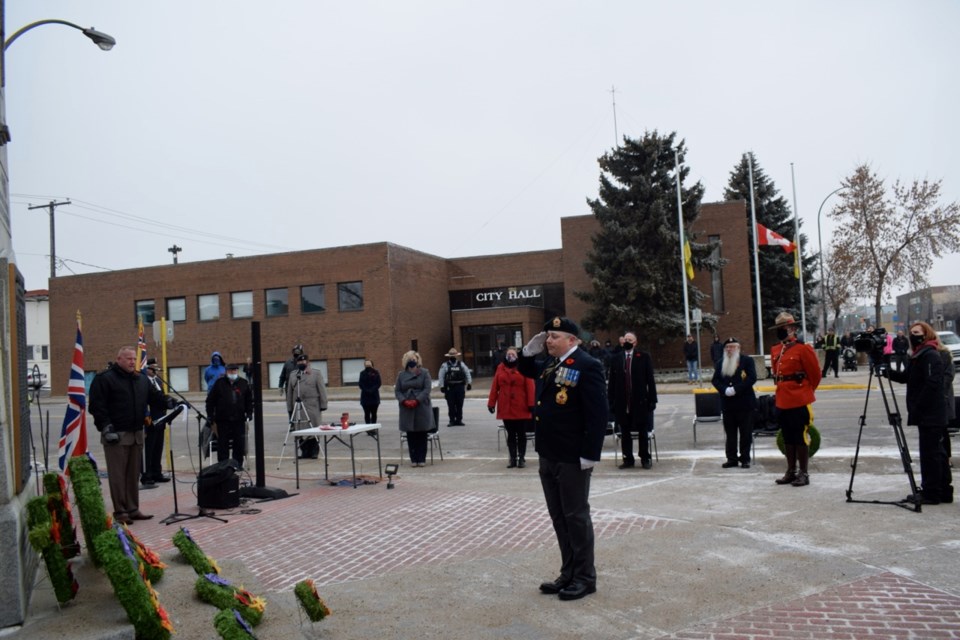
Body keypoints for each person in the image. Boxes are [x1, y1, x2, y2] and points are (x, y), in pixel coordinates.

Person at [518, 316, 607, 602]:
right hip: (549, 453)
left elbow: (597, 414)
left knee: (576, 517)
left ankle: (585, 578)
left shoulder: (587, 365)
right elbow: (526, 371)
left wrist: (590, 454)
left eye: (554, 336)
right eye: (547, 337)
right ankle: (568, 572)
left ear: (573, 339)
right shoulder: (550, 364)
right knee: (559, 517)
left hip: (572, 456)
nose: (548, 341)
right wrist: (525, 353)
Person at [89, 346, 167, 525]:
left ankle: (133, 508)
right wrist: (105, 427)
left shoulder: (141, 379)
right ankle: (121, 510)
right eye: (129, 359)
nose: (132, 362)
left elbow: (154, 397)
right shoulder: (105, 379)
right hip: (116, 434)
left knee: (133, 474)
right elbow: (96, 406)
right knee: (118, 475)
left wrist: (168, 401)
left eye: (134, 359)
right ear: (119, 359)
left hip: (137, 433)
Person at [886, 321, 952, 505]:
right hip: (926, 413)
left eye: (917, 332)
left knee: (931, 454)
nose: (913, 335)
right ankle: (942, 490)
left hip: (931, 413)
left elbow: (932, 384)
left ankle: (932, 492)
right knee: (935, 452)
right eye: (911, 332)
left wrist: (918, 406)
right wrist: (886, 372)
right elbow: (907, 377)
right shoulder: (918, 355)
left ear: (926, 334)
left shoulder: (930, 355)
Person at [770, 312, 822, 487]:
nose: (781, 331)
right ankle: (790, 471)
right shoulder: (776, 349)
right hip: (782, 398)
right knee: (788, 436)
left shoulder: (803, 348)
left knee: (800, 436)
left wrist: (805, 391)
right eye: (779, 328)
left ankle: (804, 473)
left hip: (799, 399)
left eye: (783, 328)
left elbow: (815, 375)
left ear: (792, 329)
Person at [607, 331, 657, 469]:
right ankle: (628, 458)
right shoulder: (616, 358)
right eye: (625, 339)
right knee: (625, 431)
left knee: (642, 430)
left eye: (630, 339)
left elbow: (650, 380)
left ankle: (645, 457)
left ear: (635, 343)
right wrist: (610, 400)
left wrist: (653, 399)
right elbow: (612, 381)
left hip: (640, 401)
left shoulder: (643, 357)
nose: (627, 341)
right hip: (622, 402)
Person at [712, 337, 757, 468]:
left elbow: (752, 378)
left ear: (738, 348)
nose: (729, 349)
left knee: (745, 433)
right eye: (727, 347)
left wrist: (735, 389)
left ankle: (745, 459)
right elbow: (715, 380)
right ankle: (731, 458)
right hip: (728, 404)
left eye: (732, 346)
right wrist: (724, 390)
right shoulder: (721, 362)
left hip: (745, 403)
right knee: (730, 434)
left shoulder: (747, 361)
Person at [487, 347, 535, 468]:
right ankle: (512, 458)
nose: (510, 356)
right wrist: (491, 403)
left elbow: (530, 387)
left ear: (517, 356)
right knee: (511, 434)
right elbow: (494, 387)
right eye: (508, 354)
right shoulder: (500, 367)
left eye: (513, 354)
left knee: (521, 434)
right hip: (505, 406)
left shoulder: (523, 367)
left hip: (521, 406)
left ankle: (521, 458)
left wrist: (531, 404)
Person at [206, 363, 254, 468]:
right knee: (223, 443)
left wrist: (249, 412)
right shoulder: (219, 383)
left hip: (239, 419)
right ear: (227, 372)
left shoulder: (243, 383)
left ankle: (237, 464)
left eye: (235, 371)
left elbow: (249, 400)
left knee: (239, 442)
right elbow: (210, 401)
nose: (233, 373)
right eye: (231, 371)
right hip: (223, 419)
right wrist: (210, 415)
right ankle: (223, 465)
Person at [285, 353, 328, 458]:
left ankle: (314, 451)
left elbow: (322, 390)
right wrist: (290, 407)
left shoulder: (315, 374)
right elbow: (289, 392)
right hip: (298, 407)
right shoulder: (293, 375)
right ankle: (304, 451)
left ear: (308, 362)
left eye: (303, 361)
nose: (301, 363)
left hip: (312, 406)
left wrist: (323, 404)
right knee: (300, 430)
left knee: (313, 429)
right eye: (299, 362)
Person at [395, 351, 434, 467]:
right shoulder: (401, 375)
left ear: (418, 360)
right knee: (411, 434)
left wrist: (417, 400)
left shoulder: (424, 373)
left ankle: (421, 458)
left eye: (414, 358)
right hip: (406, 407)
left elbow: (427, 389)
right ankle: (413, 459)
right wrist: (404, 400)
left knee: (422, 434)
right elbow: (397, 391)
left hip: (421, 405)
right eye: (409, 359)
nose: (412, 360)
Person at [140, 358, 170, 487]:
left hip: (161, 419)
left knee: (158, 447)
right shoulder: (143, 382)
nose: (156, 370)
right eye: (153, 368)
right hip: (149, 421)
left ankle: (157, 472)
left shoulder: (158, 381)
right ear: (147, 368)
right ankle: (147, 474)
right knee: (149, 449)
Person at [438, 348, 472, 426]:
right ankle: (452, 420)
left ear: (456, 356)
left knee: (460, 404)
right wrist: (442, 386)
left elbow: (467, 373)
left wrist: (469, 383)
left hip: (460, 387)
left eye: (454, 355)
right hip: (450, 388)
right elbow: (441, 376)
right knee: (451, 404)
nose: (453, 357)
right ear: (449, 356)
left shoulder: (461, 364)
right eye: (451, 356)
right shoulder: (445, 365)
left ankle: (459, 420)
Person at [358, 359, 382, 424]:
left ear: (372, 364)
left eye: (369, 363)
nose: (368, 364)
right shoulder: (362, 373)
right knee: (367, 414)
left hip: (374, 397)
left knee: (374, 413)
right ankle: (368, 428)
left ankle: (373, 427)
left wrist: (372, 390)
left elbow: (378, 383)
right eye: (366, 363)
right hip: (365, 397)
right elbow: (360, 384)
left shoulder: (376, 372)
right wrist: (367, 390)